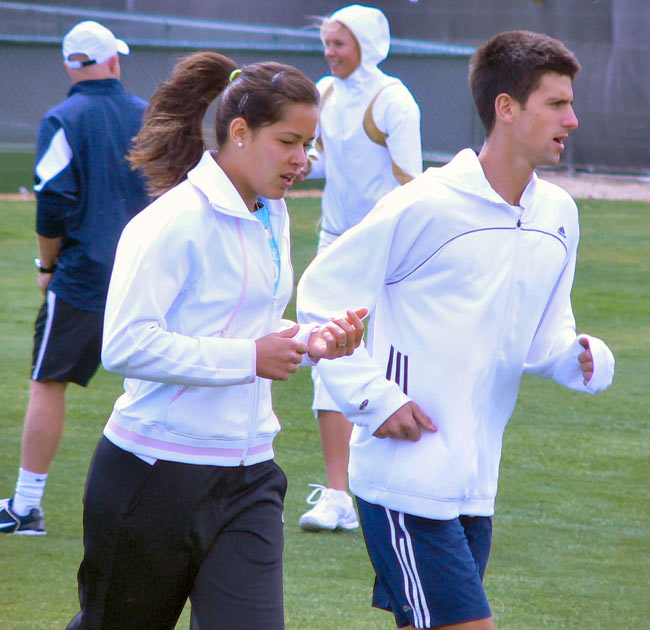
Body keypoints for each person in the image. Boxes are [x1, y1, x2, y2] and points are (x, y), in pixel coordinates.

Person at [297, 30, 615, 629]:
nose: (572, 119)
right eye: (555, 103)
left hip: (476, 485)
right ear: (506, 107)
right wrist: (375, 397)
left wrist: (584, 358)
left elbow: (547, 337)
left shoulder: (559, 215)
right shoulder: (424, 204)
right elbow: (320, 298)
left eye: (570, 103)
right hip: (403, 481)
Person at [65, 52, 366, 630]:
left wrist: (308, 338)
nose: (303, 160)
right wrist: (249, 358)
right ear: (239, 132)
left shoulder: (271, 212)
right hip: (152, 477)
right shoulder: (172, 222)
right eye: (289, 141)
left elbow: (248, 324)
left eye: (310, 144)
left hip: (252, 475)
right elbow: (124, 346)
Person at [0, 20, 149, 536]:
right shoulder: (146, 114)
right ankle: (159, 506)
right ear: (112, 60)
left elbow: (53, 202)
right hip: (146, 271)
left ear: (70, 65)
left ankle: (26, 505)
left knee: (48, 382)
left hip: (84, 274)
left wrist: (46, 266)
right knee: (156, 380)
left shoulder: (62, 117)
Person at [298, 4, 422, 532]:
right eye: (327, 44)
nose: (330, 53)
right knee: (329, 356)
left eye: (339, 44)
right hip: (333, 246)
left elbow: (412, 184)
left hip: (382, 252)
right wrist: (291, 161)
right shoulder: (323, 93)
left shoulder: (394, 100)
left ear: (367, 45)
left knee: (388, 358)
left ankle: (388, 486)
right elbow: (321, 158)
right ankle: (337, 496)